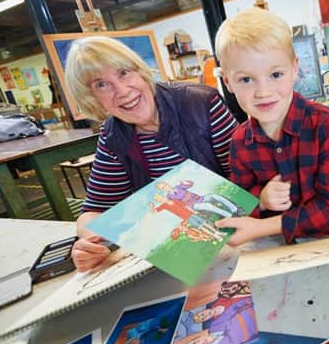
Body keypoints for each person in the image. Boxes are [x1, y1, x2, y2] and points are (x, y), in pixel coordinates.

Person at [66, 36, 239, 271]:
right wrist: (89, 244)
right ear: (92, 98)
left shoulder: (200, 103)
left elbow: (246, 175)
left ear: (141, 72)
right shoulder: (113, 136)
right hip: (181, 254)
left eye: (124, 73)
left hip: (236, 232)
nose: (122, 90)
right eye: (101, 84)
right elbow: (93, 212)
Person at [213, 7, 329, 245]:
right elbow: (241, 205)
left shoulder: (327, 124)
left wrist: (263, 226)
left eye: (276, 74)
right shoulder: (239, 142)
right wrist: (262, 200)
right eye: (246, 79)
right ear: (228, 82)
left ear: (294, 68)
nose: (263, 92)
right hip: (277, 250)